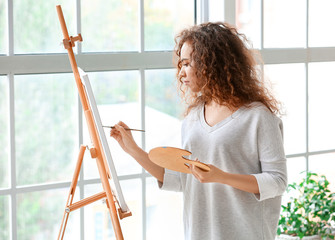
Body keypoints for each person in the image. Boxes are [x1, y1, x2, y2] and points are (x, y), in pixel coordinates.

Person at [110, 22, 287, 240]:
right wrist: (133, 149)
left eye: (186, 64)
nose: (181, 73)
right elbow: (181, 179)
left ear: (210, 63)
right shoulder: (192, 118)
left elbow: (277, 181)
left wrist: (221, 176)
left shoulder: (258, 117)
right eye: (180, 65)